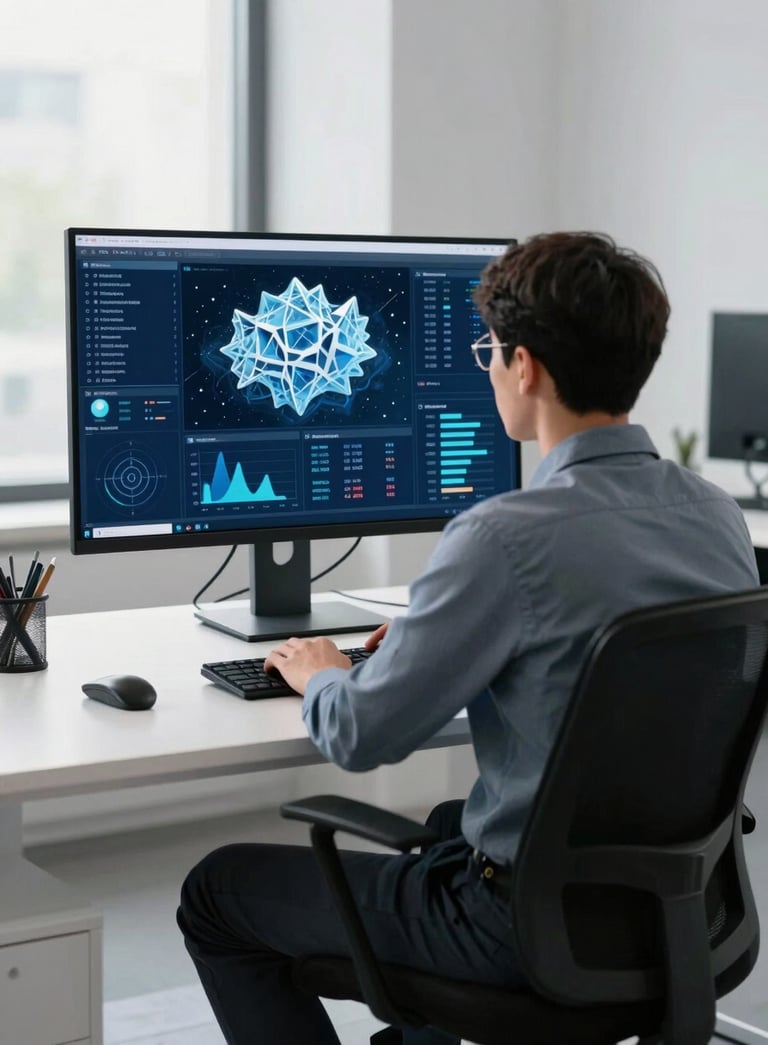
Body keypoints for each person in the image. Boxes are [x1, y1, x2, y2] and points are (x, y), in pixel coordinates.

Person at [177, 231, 759, 1045]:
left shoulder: (503, 537)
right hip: (679, 913)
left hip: (517, 933)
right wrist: (447, 636)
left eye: (489, 352)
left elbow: (360, 733)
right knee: (454, 820)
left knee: (216, 892)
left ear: (526, 367)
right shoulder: (716, 514)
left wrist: (323, 671)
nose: (487, 369)